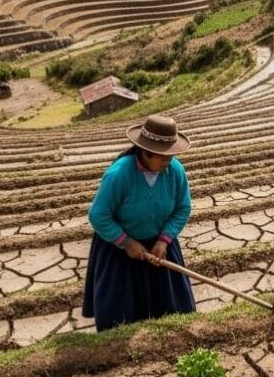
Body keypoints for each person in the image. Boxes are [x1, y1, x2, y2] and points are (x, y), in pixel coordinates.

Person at [82, 114, 196, 331]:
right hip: (119, 249)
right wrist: (126, 242)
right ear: (146, 152)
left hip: (160, 247)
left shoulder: (175, 171)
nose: (169, 161)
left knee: (173, 310)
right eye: (164, 157)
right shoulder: (119, 174)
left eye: (171, 155)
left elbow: (183, 208)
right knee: (120, 318)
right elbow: (98, 215)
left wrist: (164, 240)